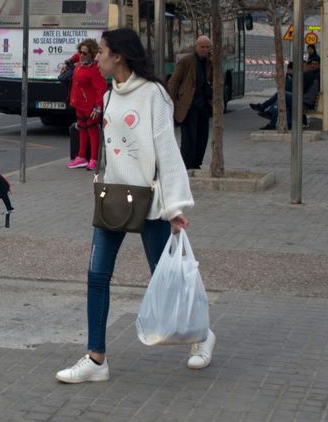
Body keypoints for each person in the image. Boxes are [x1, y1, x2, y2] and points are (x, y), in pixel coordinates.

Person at [56, 28, 214, 383]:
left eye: (102, 52)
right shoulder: (111, 95)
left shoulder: (153, 94)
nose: (96, 58)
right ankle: (96, 359)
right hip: (112, 196)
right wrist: (100, 178)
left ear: (119, 56)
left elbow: (167, 151)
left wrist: (174, 206)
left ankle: (202, 335)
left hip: (150, 198)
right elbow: (110, 150)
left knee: (165, 274)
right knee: (97, 275)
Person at [167, 35, 213, 171]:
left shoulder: (210, 63)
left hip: (204, 105)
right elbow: (173, 81)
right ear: (196, 46)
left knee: (202, 136)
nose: (205, 50)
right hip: (188, 105)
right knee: (189, 137)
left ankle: (196, 163)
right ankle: (186, 164)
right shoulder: (187, 61)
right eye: (202, 46)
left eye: (207, 47)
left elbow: (215, 79)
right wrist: (172, 101)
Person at [66, 38, 107, 171]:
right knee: (82, 130)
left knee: (92, 131)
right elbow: (76, 56)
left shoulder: (95, 69)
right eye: (80, 52)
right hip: (79, 103)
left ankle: (94, 159)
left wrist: (98, 107)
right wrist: (71, 61)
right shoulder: (80, 62)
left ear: (92, 54)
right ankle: (81, 157)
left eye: (84, 53)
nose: (81, 55)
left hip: (90, 106)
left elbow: (101, 89)